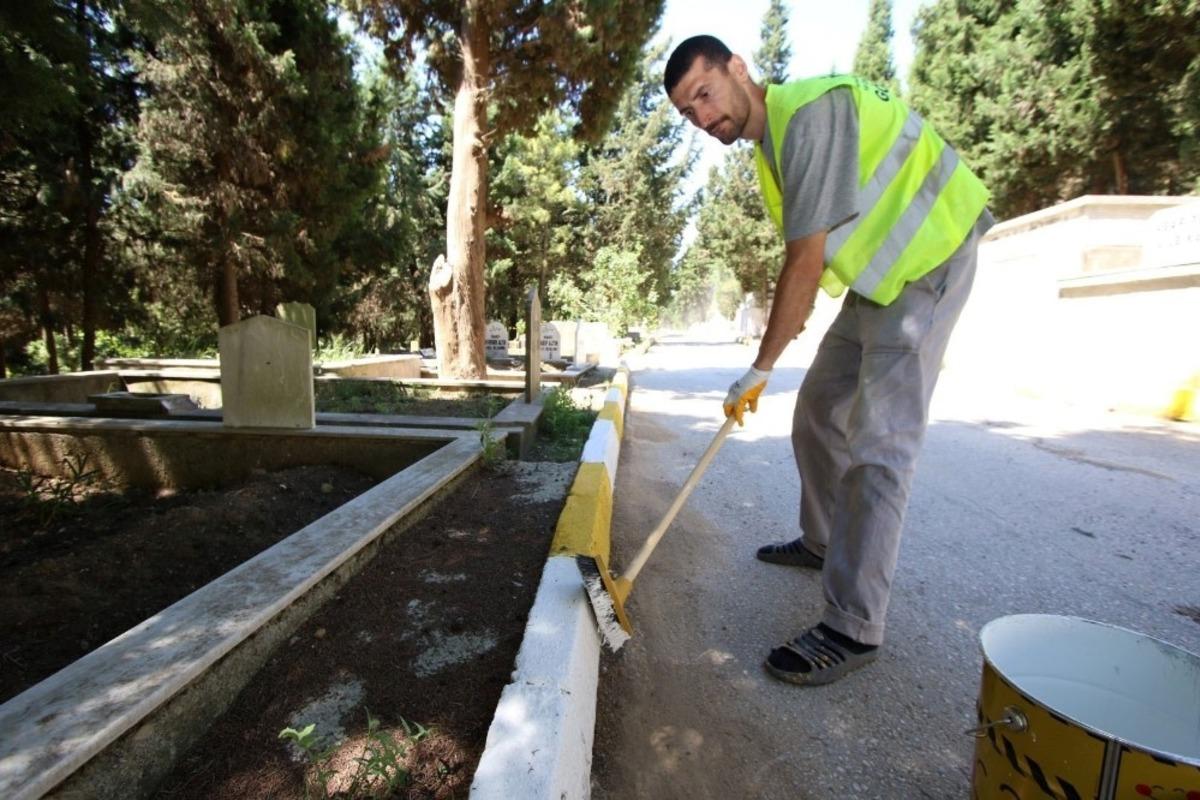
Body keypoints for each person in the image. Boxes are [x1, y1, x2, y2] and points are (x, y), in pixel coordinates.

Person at [664, 35, 993, 686]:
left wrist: (759, 368)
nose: (701, 118)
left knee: (878, 447)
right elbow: (815, 258)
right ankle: (822, 542)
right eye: (685, 113)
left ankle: (853, 627)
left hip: (931, 260)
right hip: (881, 281)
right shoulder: (771, 147)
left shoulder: (808, 114)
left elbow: (805, 263)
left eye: (703, 94)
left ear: (739, 70)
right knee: (817, 410)